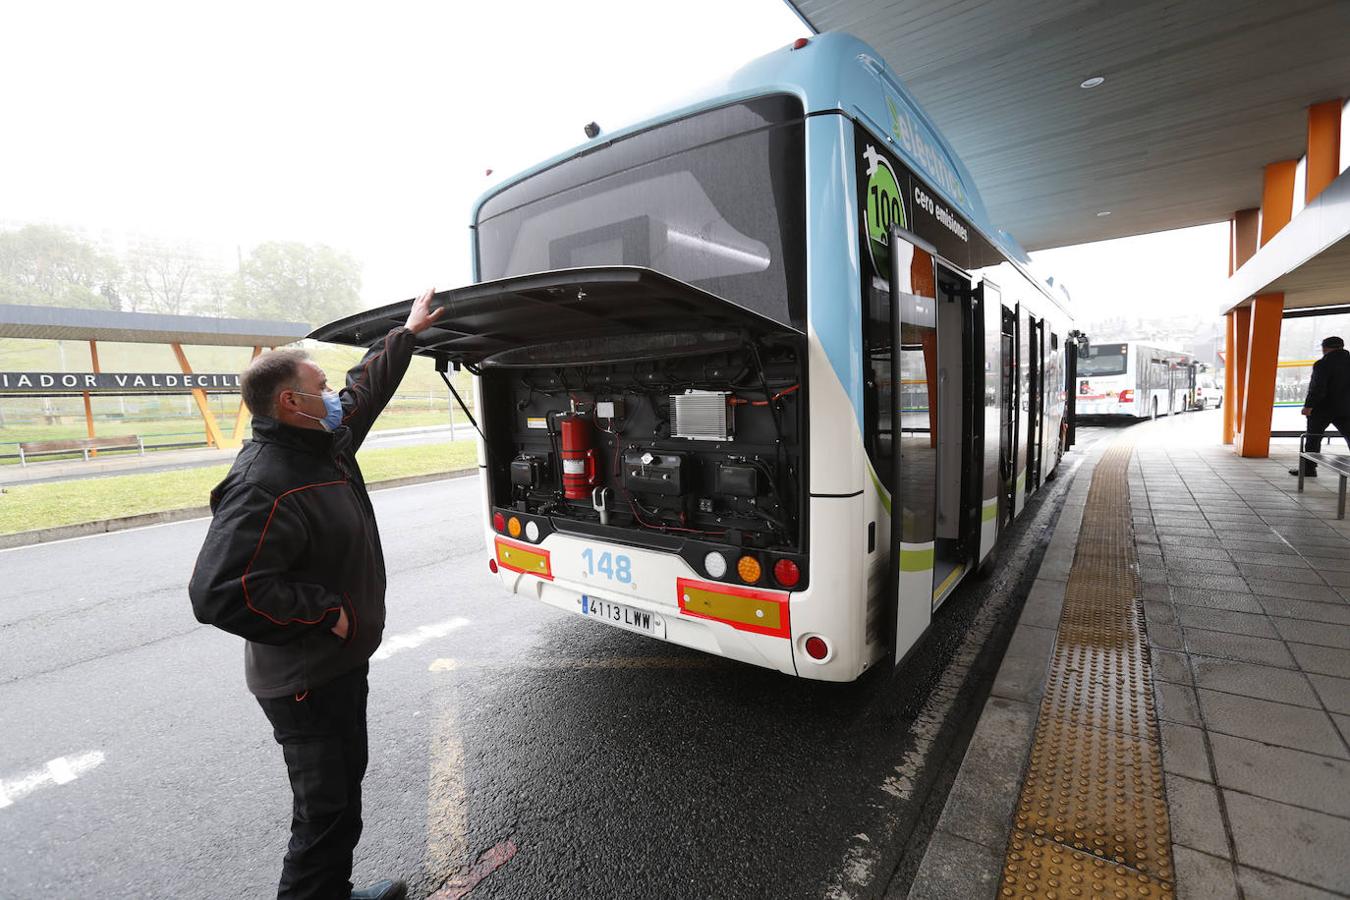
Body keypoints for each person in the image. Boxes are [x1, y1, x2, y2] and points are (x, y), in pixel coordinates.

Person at [189, 289, 444, 900]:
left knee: (340, 799)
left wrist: (404, 335)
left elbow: (361, 394)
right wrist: (326, 613)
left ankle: (332, 891)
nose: (333, 396)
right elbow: (219, 591)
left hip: (334, 666)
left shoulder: (318, 444)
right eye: (320, 387)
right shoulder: (263, 483)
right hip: (305, 681)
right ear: (291, 402)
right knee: (324, 814)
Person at [1291, 335, 1350, 477]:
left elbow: (1317, 388)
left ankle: (1309, 469)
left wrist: (1309, 406)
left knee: (1313, 438)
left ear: (1325, 348)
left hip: (1322, 409)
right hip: (1346, 408)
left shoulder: (1323, 364)